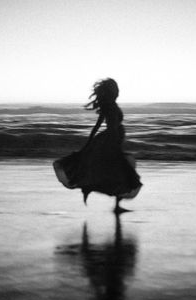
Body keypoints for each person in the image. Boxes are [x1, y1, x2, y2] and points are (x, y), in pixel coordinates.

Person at [53, 78, 142, 213]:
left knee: (116, 172)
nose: (118, 92)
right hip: (111, 140)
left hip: (109, 138)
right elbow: (110, 128)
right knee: (119, 171)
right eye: (116, 89)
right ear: (112, 92)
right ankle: (114, 205)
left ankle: (96, 193)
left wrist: (89, 143)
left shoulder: (108, 105)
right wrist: (112, 144)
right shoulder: (111, 106)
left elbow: (97, 126)